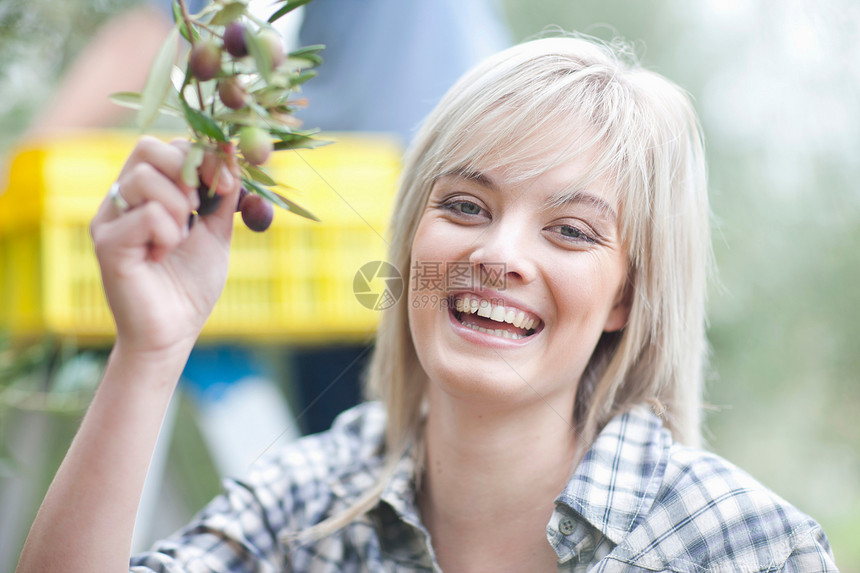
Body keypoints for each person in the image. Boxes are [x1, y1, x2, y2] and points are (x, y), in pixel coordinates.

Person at [15, 35, 839, 572]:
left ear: (627, 294)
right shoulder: (317, 499)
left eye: (572, 231)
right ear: (412, 239)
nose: (498, 254)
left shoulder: (744, 547)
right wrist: (150, 352)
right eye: (466, 207)